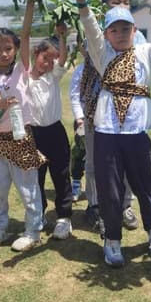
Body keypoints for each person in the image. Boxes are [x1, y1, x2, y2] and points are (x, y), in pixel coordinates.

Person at [69, 0, 151, 267]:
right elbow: (91, 29)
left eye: (126, 29)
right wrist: (82, 3)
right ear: (107, 35)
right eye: (114, 30)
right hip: (107, 131)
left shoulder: (147, 53)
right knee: (109, 188)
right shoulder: (102, 54)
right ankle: (112, 240)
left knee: (144, 184)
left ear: (135, 30)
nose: (121, 34)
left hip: (136, 132)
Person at [0, 23, 46, 252]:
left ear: (15, 49)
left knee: (28, 188)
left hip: (20, 138)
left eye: (8, 48)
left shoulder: (22, 70)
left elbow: (25, 34)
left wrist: (31, 1)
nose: (3, 54)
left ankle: (33, 231)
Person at [78, 0, 141, 236]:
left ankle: (125, 205)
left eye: (126, 2)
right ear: (104, 7)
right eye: (116, 3)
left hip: (128, 111)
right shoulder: (96, 37)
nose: (122, 7)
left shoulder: (138, 37)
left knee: (128, 162)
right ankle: (95, 205)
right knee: (95, 162)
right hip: (98, 108)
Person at [22, 0, 73, 240]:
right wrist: (30, 8)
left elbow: (63, 58)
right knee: (36, 177)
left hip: (55, 132)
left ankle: (64, 217)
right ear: (35, 54)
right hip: (34, 135)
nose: (49, 64)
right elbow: (23, 38)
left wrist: (62, 35)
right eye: (45, 58)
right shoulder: (24, 77)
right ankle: (39, 213)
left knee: (61, 174)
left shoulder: (52, 77)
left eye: (52, 61)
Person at [68, 50, 86, 203]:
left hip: (103, 120)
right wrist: (79, 117)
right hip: (83, 120)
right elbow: (74, 95)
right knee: (79, 152)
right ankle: (76, 182)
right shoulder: (80, 70)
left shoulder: (106, 66)